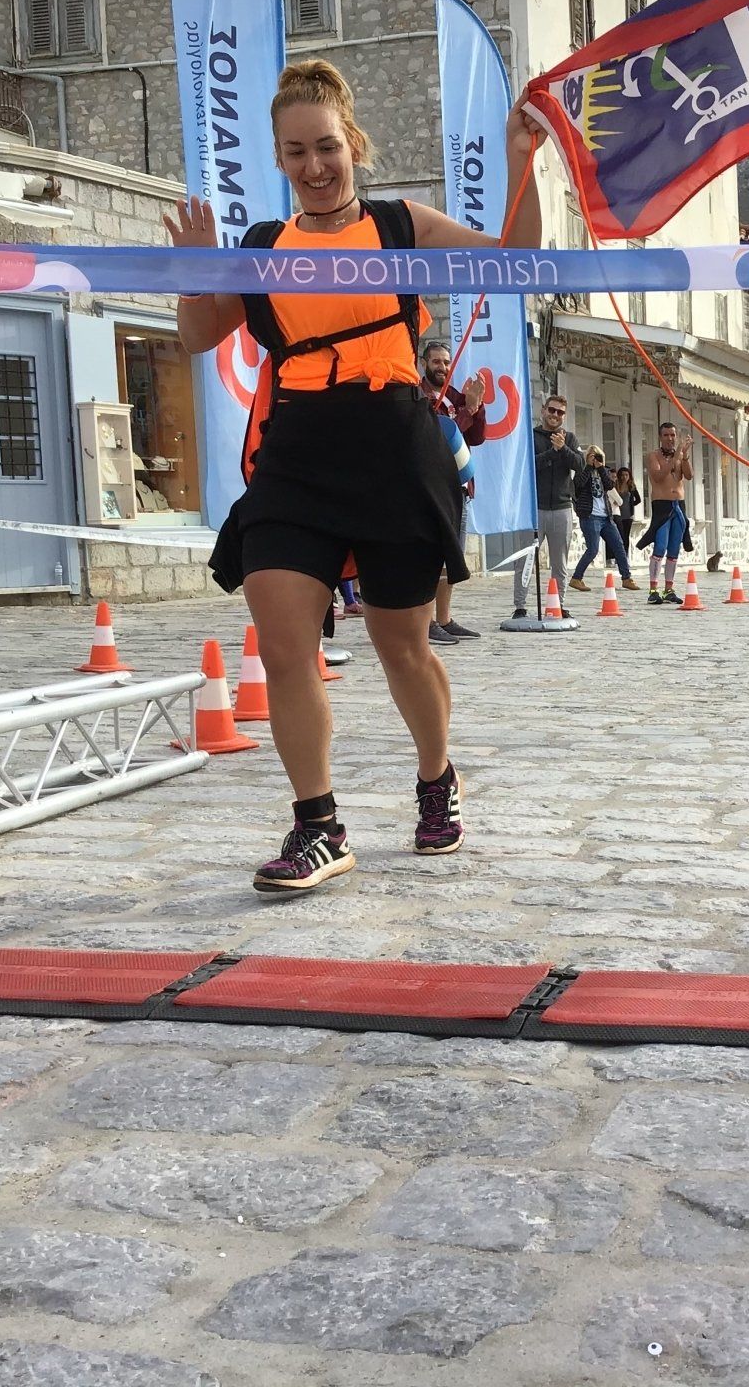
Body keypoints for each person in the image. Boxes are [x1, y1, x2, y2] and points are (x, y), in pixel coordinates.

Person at [170, 59, 541, 891]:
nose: (314, 166)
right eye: (295, 151)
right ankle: (319, 827)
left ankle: (437, 777)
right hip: (296, 451)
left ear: (354, 144)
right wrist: (197, 271)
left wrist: (523, 158)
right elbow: (196, 337)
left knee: (401, 646)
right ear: (278, 157)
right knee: (283, 642)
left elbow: (517, 259)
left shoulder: (400, 224)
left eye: (327, 147)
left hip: (392, 446)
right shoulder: (262, 247)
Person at [417, 338, 486, 643]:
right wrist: (468, 410)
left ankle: (444, 619)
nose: (442, 367)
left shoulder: (455, 395)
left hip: (459, 486)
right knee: (431, 557)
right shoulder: (418, 396)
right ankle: (426, 621)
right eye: (436, 361)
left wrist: (477, 407)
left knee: (451, 558)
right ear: (424, 363)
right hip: (432, 489)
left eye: (446, 362)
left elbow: (477, 437)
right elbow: (438, 435)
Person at [512, 394, 579, 618]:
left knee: (560, 562)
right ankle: (520, 606)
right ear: (543, 411)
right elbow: (528, 465)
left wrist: (564, 449)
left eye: (560, 412)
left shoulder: (569, 438)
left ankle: (558, 603)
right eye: (552, 410)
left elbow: (580, 465)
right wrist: (553, 452)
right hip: (535, 508)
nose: (555, 415)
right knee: (525, 559)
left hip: (562, 507)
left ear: (564, 416)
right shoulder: (531, 436)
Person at [569, 445, 635, 591]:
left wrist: (601, 468)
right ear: (587, 457)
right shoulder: (582, 471)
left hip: (606, 517)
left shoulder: (603, 472)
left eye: (597, 456)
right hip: (590, 516)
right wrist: (588, 467)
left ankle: (626, 578)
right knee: (593, 549)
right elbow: (578, 485)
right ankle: (576, 578)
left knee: (619, 546)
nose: (595, 459)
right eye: (592, 456)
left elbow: (610, 486)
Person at [641, 421, 693, 603]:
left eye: (673, 435)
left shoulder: (679, 456)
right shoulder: (653, 456)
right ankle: (653, 590)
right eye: (666, 435)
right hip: (662, 505)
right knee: (660, 546)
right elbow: (658, 476)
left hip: (678, 504)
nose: (670, 439)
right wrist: (676, 456)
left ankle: (668, 589)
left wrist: (684, 457)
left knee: (674, 548)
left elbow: (689, 475)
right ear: (660, 437)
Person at [610, 466, 642, 567]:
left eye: (626, 475)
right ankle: (616, 557)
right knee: (618, 536)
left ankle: (625, 557)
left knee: (625, 537)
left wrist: (631, 504)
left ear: (629, 476)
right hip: (617, 515)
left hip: (628, 516)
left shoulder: (631, 486)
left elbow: (638, 499)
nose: (624, 477)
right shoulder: (616, 485)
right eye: (622, 475)